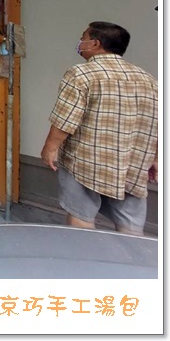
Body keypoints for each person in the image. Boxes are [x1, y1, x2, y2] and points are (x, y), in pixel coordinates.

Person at [40, 21, 158, 235]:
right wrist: (156, 158)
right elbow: (157, 123)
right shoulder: (148, 79)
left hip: (86, 162)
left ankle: (84, 254)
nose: (80, 42)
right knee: (130, 224)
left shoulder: (81, 74)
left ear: (95, 44)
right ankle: (130, 256)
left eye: (83, 37)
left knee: (81, 216)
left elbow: (65, 119)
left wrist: (50, 149)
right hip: (132, 163)